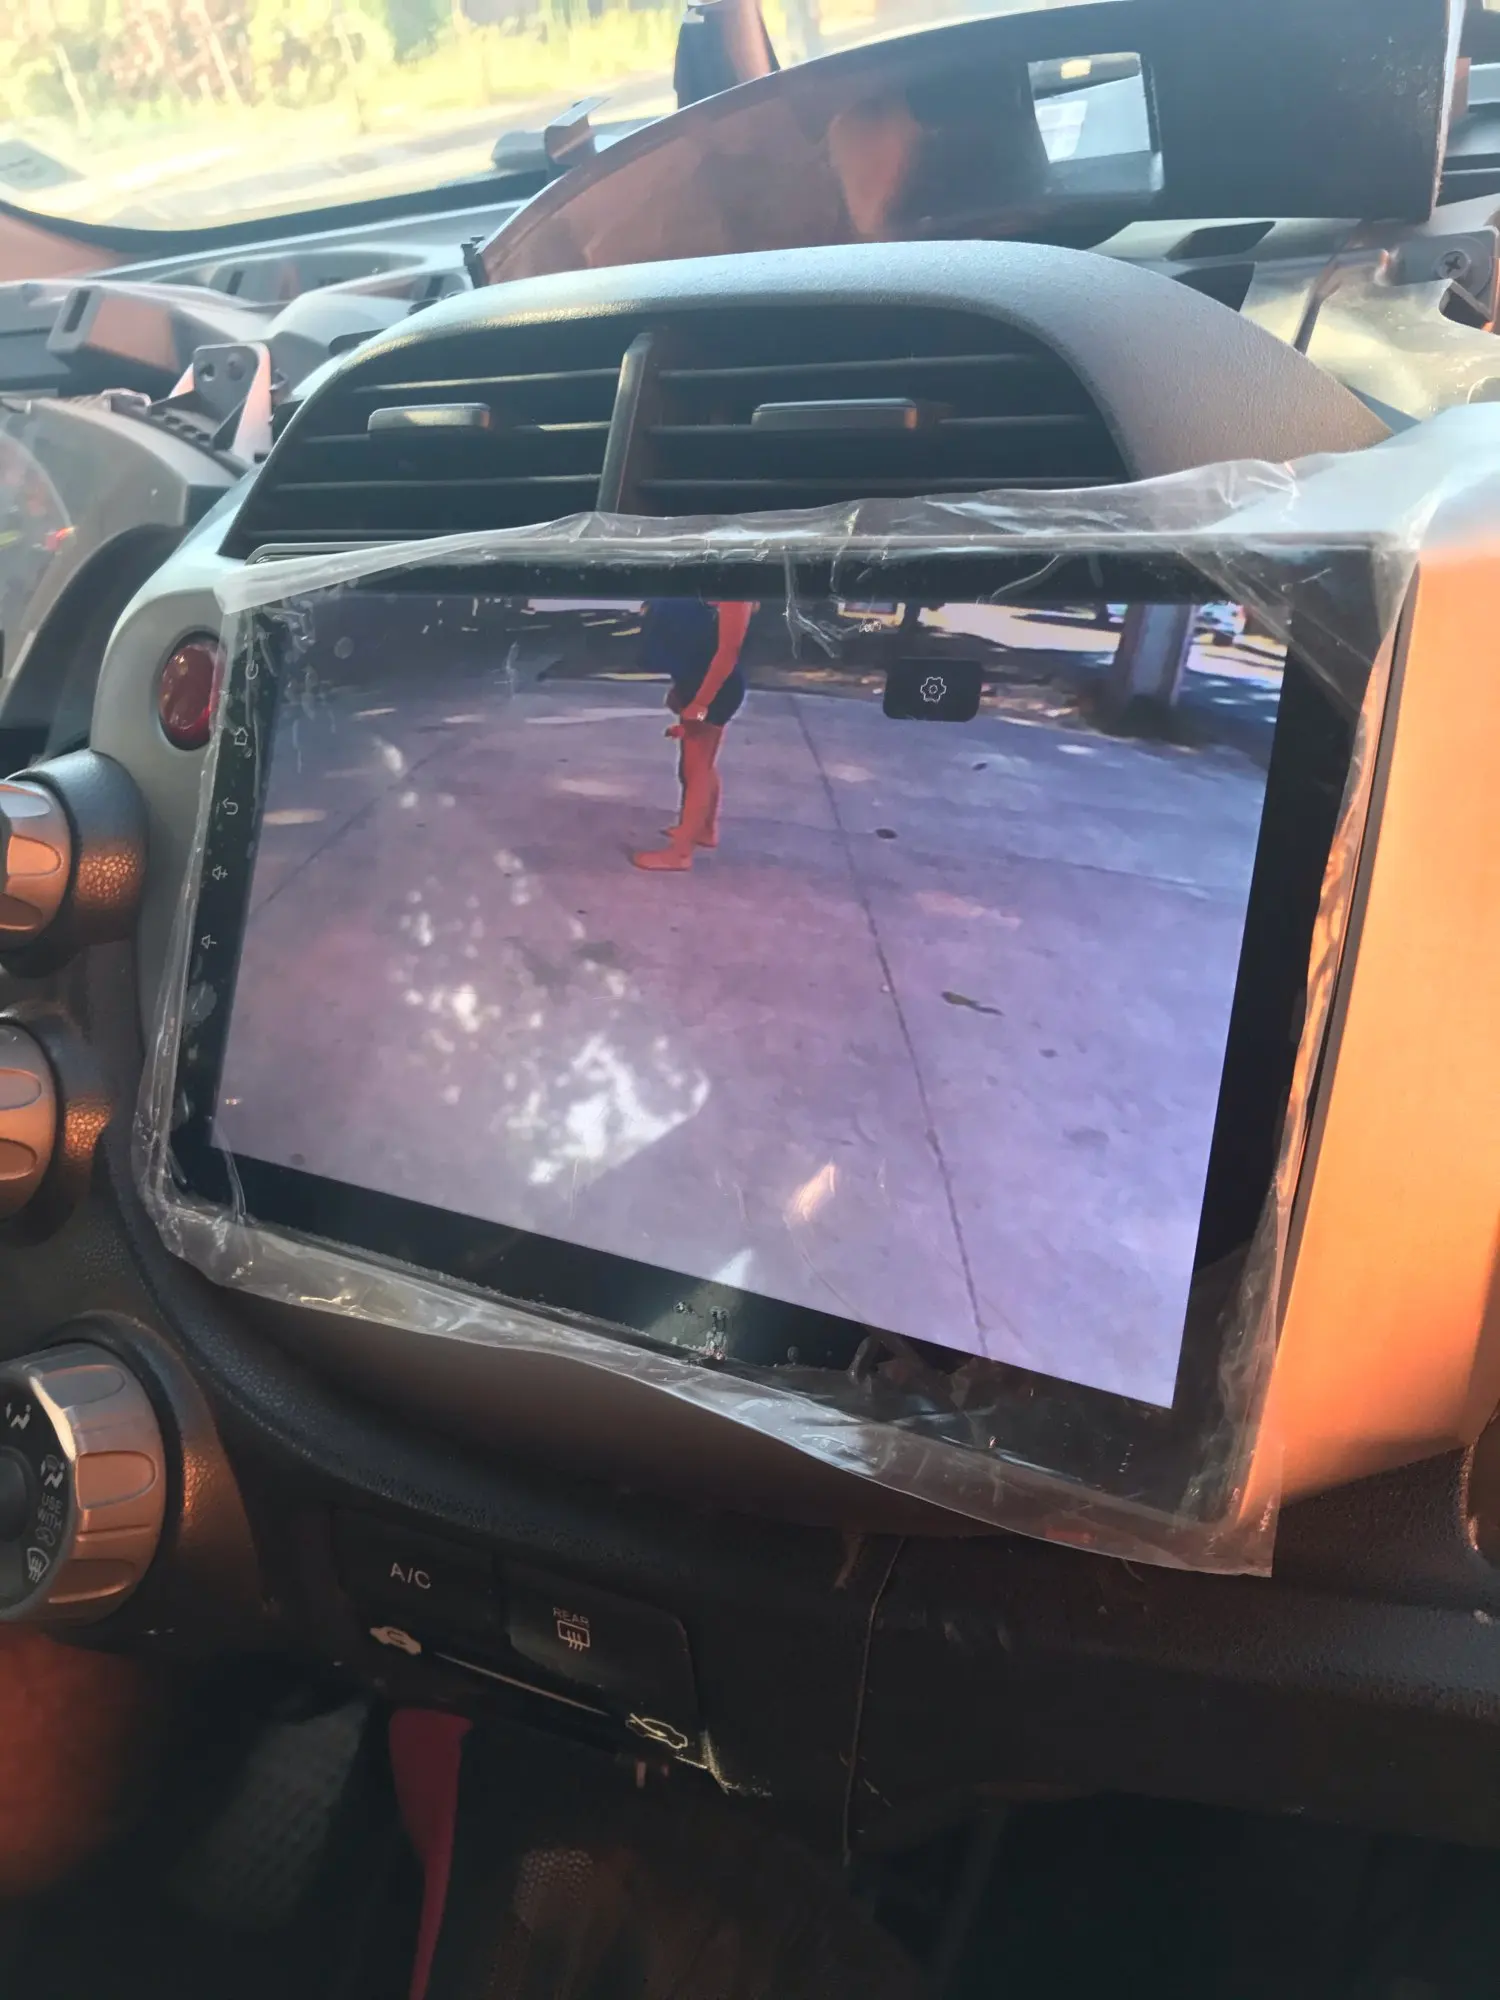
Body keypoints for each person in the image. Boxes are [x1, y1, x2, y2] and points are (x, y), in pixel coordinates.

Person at [632, 598, 756, 873]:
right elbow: (694, 645)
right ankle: (705, 829)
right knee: (701, 765)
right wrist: (681, 689)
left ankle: (680, 854)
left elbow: (727, 653)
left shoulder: (736, 593)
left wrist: (700, 703)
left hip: (714, 688)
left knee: (695, 770)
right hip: (697, 683)